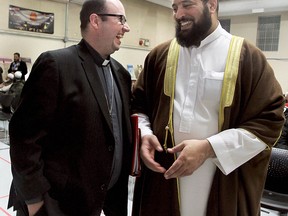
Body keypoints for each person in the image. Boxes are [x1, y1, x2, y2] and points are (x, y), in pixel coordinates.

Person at [131, 0, 285, 215]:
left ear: (211, 5)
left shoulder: (248, 57)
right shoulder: (159, 56)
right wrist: (144, 134)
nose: (178, 14)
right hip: (163, 181)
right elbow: (138, 105)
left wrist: (209, 148)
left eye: (187, 5)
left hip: (221, 180)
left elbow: (269, 120)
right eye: (175, 8)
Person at [8, 0, 132, 215]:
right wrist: (35, 200)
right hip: (56, 205)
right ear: (95, 20)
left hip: (102, 203)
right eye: (120, 19)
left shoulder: (121, 74)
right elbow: (24, 138)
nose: (126, 27)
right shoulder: (56, 65)